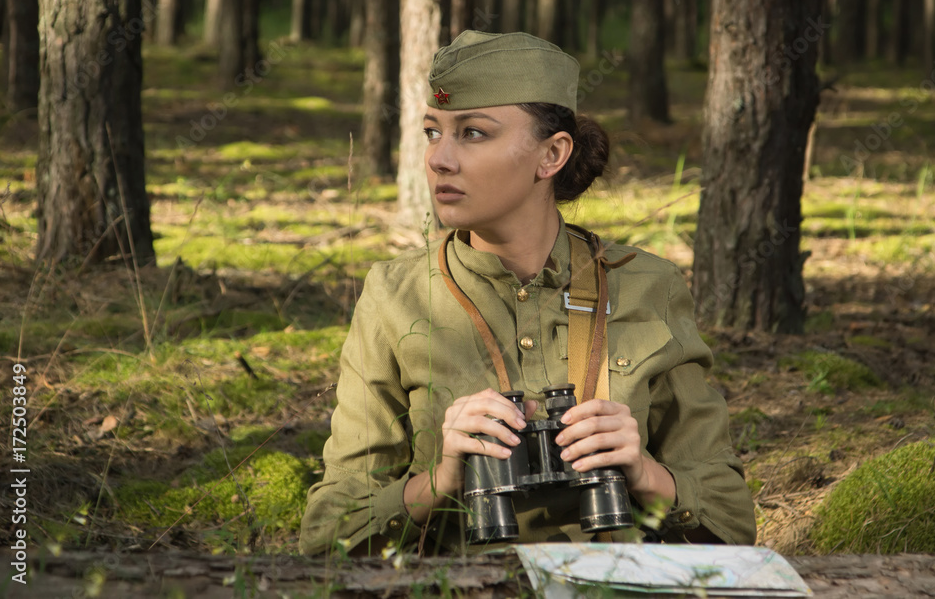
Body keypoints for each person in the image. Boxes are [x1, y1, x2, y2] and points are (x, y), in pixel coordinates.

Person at [299, 31, 756, 556]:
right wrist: (439, 481)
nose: (440, 159)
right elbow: (326, 534)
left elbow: (732, 521)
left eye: (472, 133)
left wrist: (645, 473)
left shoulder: (647, 288)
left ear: (552, 154)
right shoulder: (394, 295)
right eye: (432, 132)